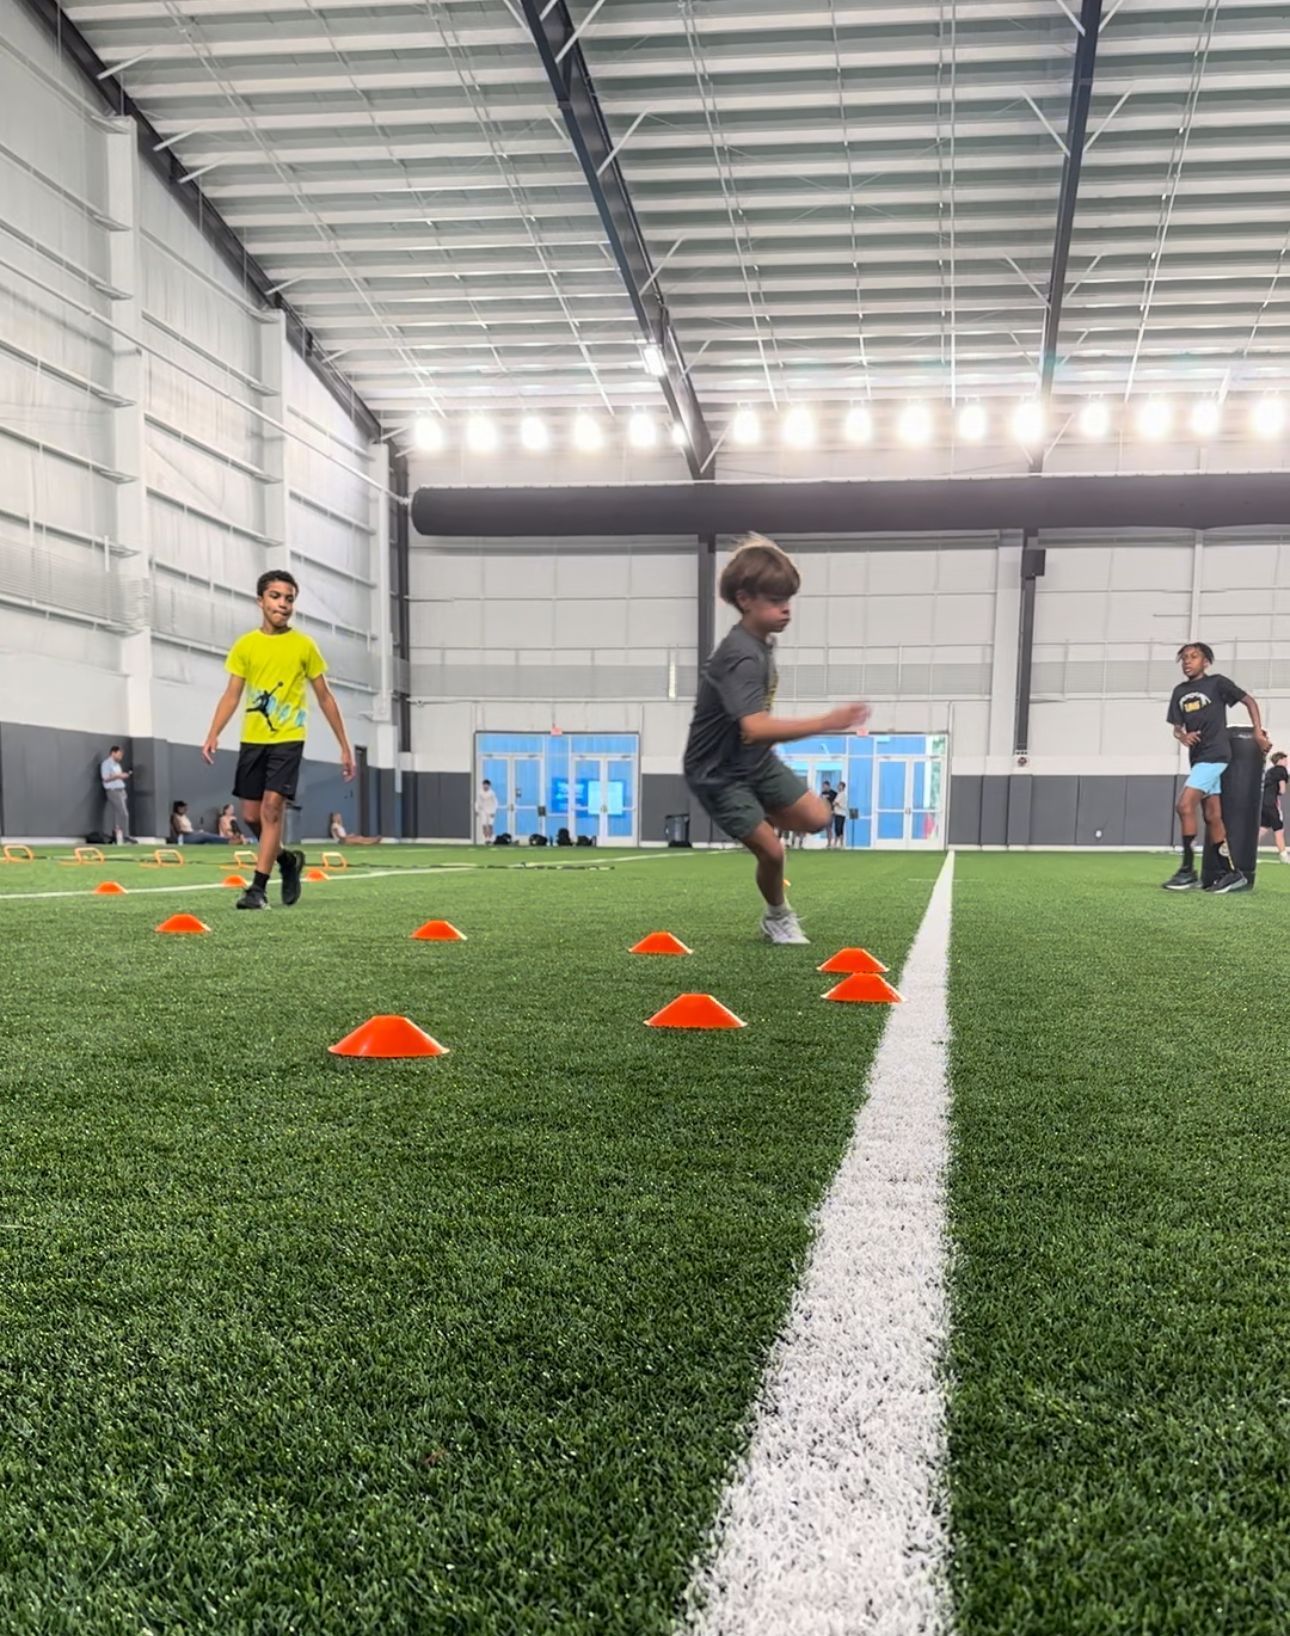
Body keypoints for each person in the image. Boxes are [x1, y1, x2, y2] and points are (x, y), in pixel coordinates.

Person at [683, 534, 869, 944]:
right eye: (775, 600)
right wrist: (829, 720)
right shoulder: (742, 654)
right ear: (745, 599)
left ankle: (756, 816)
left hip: (755, 762)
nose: (786, 610)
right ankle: (776, 916)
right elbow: (755, 727)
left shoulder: (763, 644)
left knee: (819, 818)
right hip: (719, 773)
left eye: (788, 600)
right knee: (772, 851)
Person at [201, 568, 355, 910]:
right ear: (260, 601)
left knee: (272, 809)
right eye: (275, 596)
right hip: (253, 740)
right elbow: (231, 694)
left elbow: (326, 697)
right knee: (252, 817)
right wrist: (213, 732)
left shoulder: (304, 646)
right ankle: (286, 860)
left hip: (289, 738)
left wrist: (345, 745)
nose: (283, 604)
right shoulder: (245, 646)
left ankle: (257, 888)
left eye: (289, 599)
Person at [1163, 642, 1271, 893]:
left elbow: (1250, 701)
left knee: (1184, 805)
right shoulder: (1179, 692)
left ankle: (1188, 870)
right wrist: (1182, 737)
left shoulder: (1217, 684)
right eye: (1184, 658)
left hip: (1216, 754)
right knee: (1213, 816)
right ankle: (1230, 873)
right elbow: (1177, 727)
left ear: (1206, 662)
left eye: (1194, 657)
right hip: (1198, 757)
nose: (1188, 662)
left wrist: (1257, 733)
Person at [99, 744, 134, 844]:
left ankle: (117, 836)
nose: (120, 757)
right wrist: (118, 776)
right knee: (124, 813)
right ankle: (126, 836)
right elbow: (105, 778)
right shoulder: (106, 764)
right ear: (113, 753)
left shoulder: (117, 765)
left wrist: (121, 776)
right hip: (113, 790)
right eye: (119, 754)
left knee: (118, 815)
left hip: (121, 789)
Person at [1259, 751, 1290, 861]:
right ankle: (1283, 855)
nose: (1287, 762)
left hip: (1262, 803)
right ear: (1280, 760)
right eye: (1285, 760)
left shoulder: (1269, 772)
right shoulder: (1281, 770)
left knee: (1263, 828)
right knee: (1279, 829)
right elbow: (1282, 790)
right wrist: (1280, 791)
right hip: (1272, 803)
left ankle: (1247, 851)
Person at [476, 778, 499, 844]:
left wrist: (494, 811)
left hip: (491, 811)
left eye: (487, 785)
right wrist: (477, 810)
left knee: (490, 825)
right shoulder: (480, 792)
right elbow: (478, 801)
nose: (485, 786)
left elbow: (495, 802)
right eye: (484, 785)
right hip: (483, 810)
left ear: (489, 786)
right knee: (484, 825)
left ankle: (490, 838)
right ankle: (486, 839)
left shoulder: (492, 793)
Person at [831, 781, 848, 849]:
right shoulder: (839, 794)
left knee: (839, 828)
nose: (838, 787)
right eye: (838, 785)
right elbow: (834, 803)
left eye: (840, 786)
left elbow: (835, 803)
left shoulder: (842, 794)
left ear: (843, 787)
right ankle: (836, 843)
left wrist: (835, 803)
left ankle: (841, 844)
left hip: (841, 813)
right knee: (837, 829)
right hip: (837, 813)